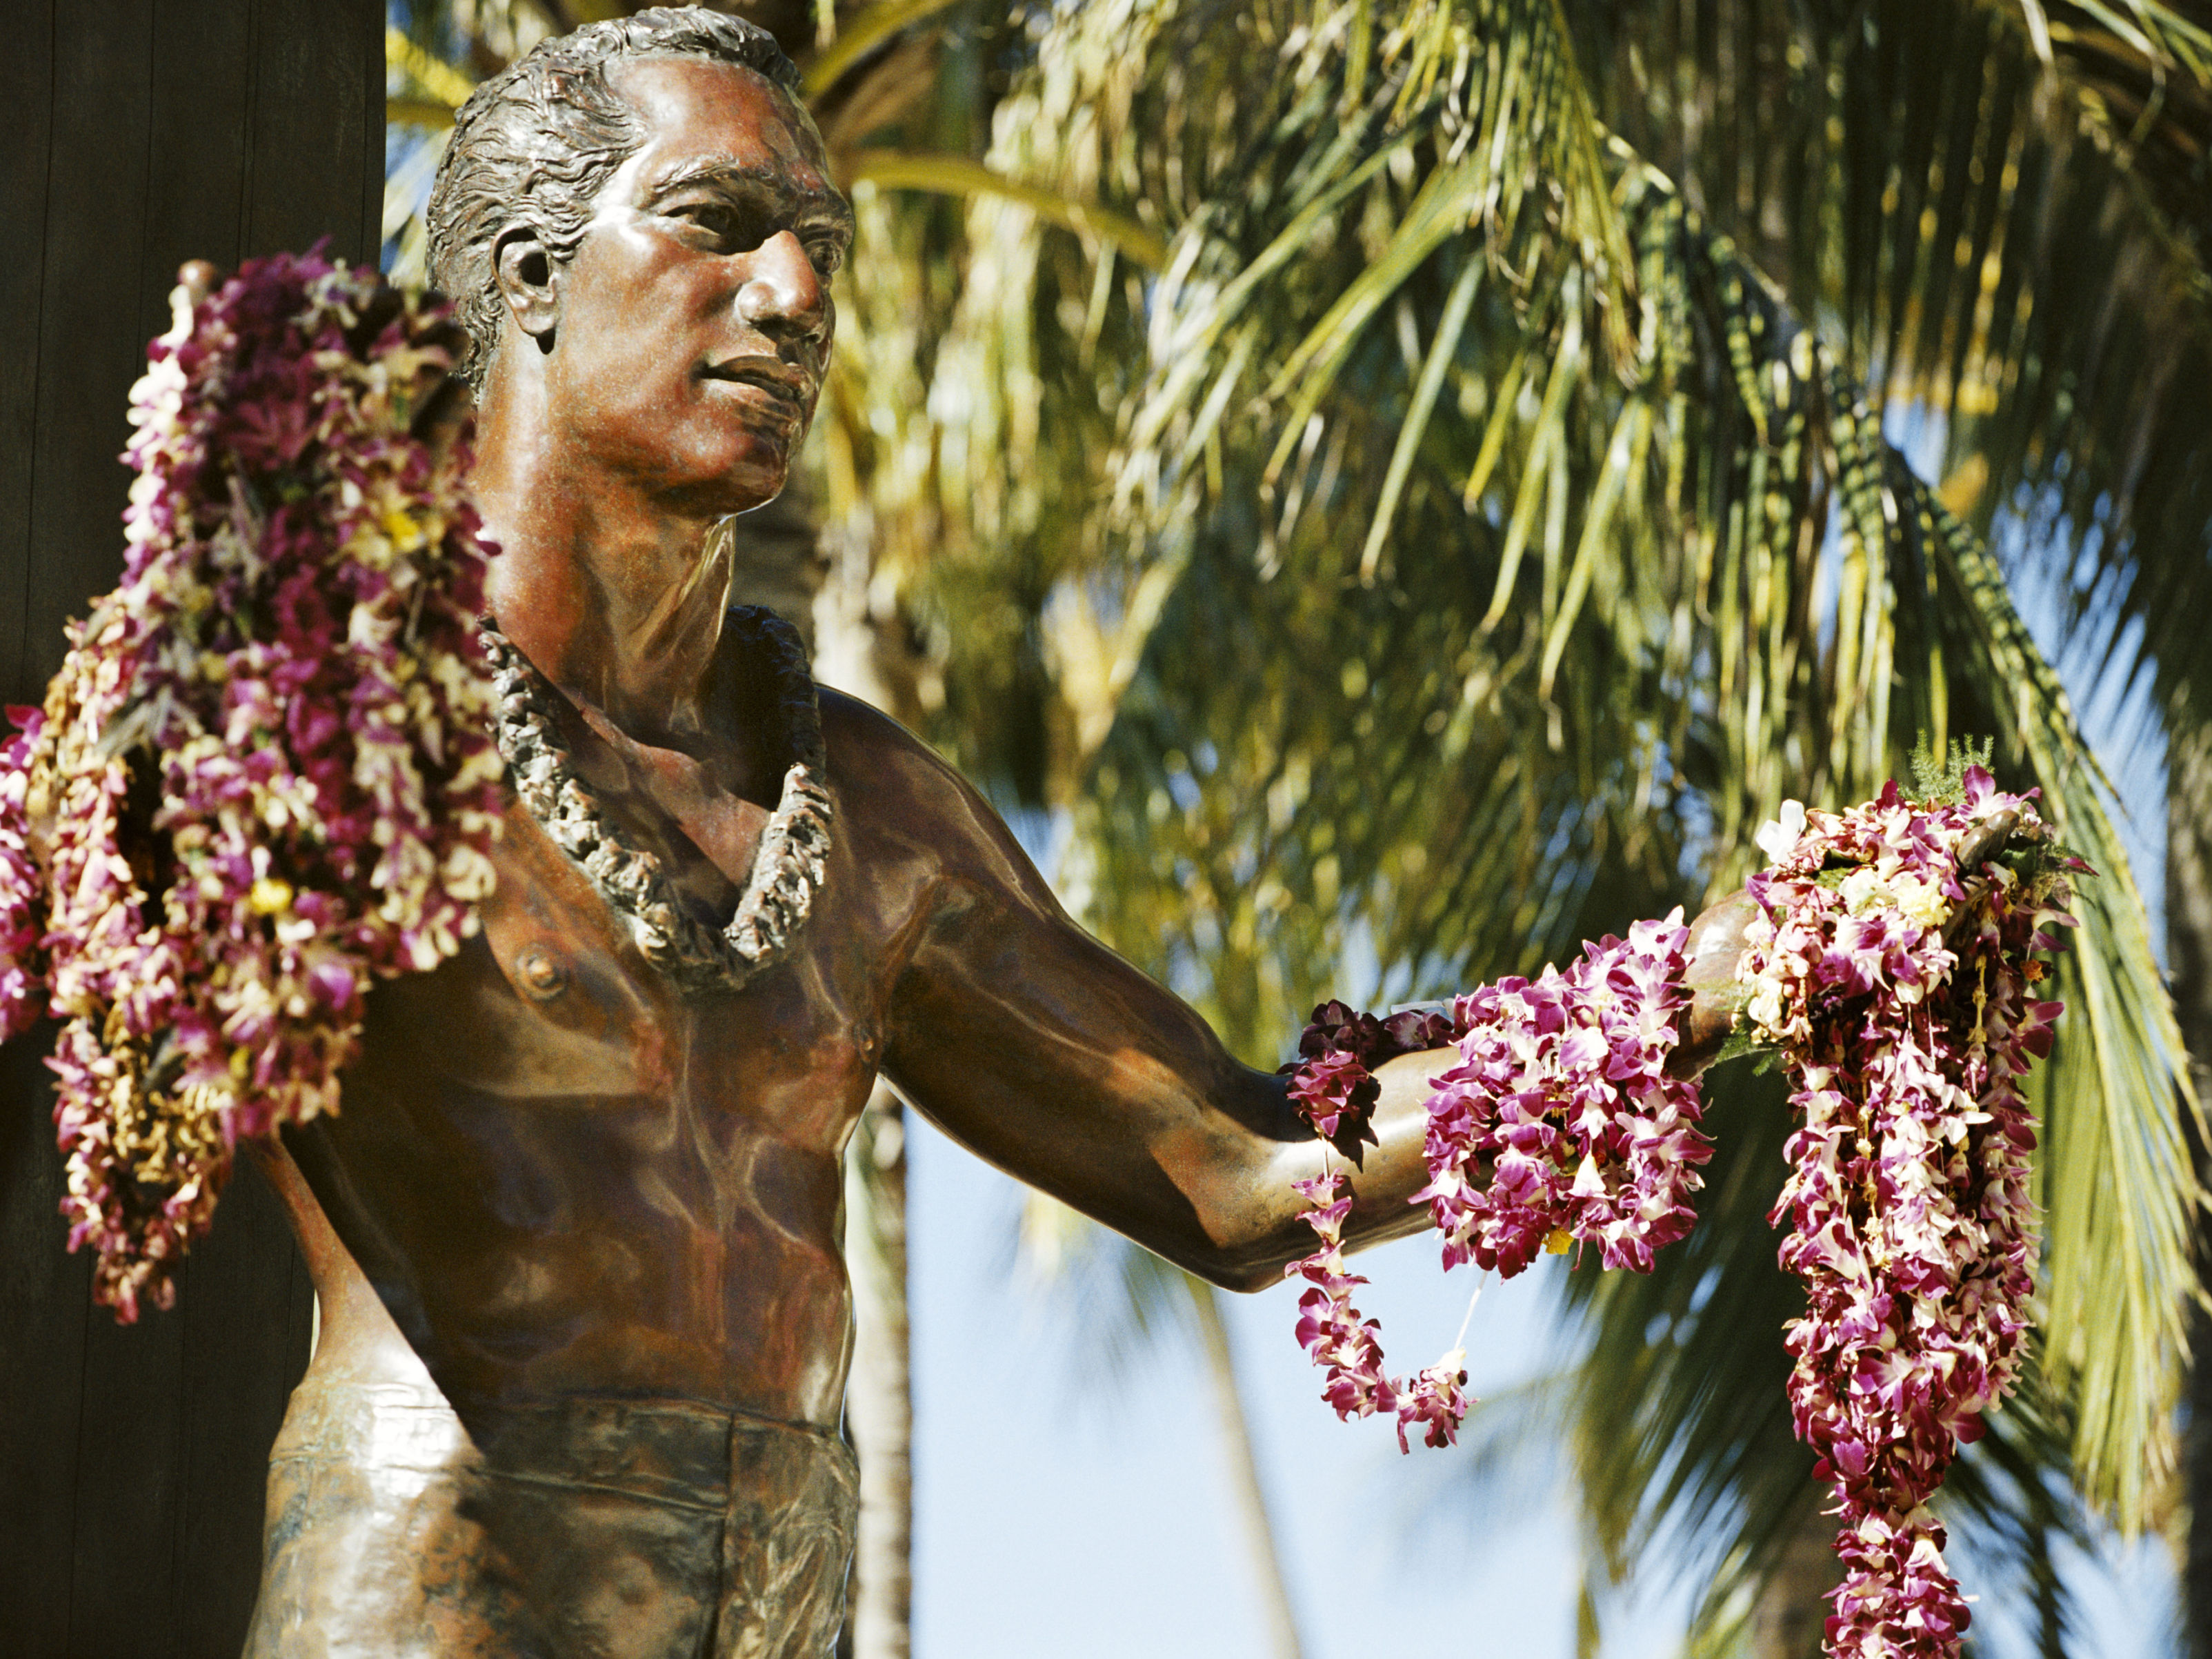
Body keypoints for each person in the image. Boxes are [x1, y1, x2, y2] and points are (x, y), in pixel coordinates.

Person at [240, 10, 1748, 1653]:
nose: (800, 297)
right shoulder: (337, 718)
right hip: (435, 1601)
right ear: (531, 273)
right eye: (719, 222)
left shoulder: (869, 817)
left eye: (820, 247)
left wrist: (1727, 977)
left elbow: (1240, 1167)